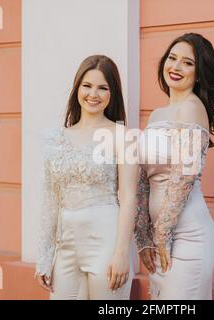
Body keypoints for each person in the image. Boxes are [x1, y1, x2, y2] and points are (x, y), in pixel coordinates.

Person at [35, 55, 137, 300]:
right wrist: (44, 255)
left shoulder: (124, 136)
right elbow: (51, 198)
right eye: (87, 86)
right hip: (66, 247)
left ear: (113, 93)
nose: (94, 94)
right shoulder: (57, 139)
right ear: (77, 88)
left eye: (103, 87)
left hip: (106, 243)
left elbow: (130, 197)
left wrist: (122, 253)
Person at [135, 33, 214, 299]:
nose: (176, 67)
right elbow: (143, 179)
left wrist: (160, 235)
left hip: (188, 236)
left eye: (187, 63)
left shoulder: (193, 109)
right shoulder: (157, 114)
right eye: (172, 58)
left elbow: (184, 178)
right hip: (161, 237)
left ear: (199, 73)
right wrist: (143, 237)